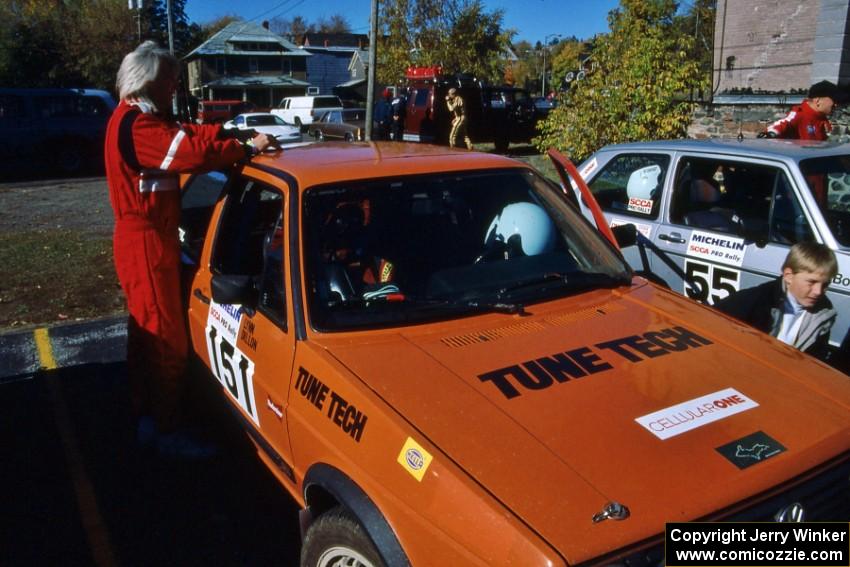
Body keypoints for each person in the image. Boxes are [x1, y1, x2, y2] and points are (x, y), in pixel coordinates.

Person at [105, 41, 278, 458]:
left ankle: (145, 413)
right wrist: (244, 148)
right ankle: (166, 430)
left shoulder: (136, 119)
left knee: (143, 335)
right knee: (166, 343)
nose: (174, 88)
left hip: (148, 238)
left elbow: (186, 135)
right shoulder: (138, 126)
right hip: (146, 242)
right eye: (170, 81)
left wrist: (224, 131)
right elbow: (189, 152)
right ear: (149, 80)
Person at [714, 242, 838, 362]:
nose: (818, 291)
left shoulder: (823, 313)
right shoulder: (755, 300)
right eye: (811, 282)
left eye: (825, 284)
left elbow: (815, 362)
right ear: (788, 276)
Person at [759, 80, 842, 140]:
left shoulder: (822, 119)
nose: (836, 104)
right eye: (834, 100)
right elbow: (783, 123)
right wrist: (771, 134)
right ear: (818, 101)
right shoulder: (799, 114)